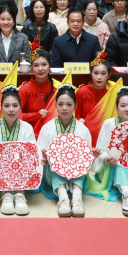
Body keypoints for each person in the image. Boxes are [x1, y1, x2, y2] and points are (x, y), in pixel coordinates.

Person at [90, 87, 128, 216]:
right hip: (112, 166)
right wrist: (107, 158)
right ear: (117, 108)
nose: (127, 109)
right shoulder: (109, 123)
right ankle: (126, 193)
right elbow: (100, 150)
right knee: (121, 159)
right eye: (123, 106)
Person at [0, 86, 35, 215]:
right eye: (7, 105)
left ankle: (20, 194)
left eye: (15, 105)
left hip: (21, 173)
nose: (11, 109)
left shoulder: (27, 127)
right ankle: (6, 194)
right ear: (1, 107)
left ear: (20, 107)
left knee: (25, 159)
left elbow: (31, 153)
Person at [37, 84, 91, 217]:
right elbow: (39, 153)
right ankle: (63, 198)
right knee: (54, 160)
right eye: (60, 104)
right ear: (55, 105)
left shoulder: (83, 130)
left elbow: (87, 158)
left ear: (75, 106)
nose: (64, 108)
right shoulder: (47, 128)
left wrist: (91, 156)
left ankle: (77, 197)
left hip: (77, 172)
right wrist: (44, 158)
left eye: (69, 104)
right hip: (52, 172)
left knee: (80, 161)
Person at [18, 46, 54, 133]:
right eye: (36, 65)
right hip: (29, 132)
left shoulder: (56, 88)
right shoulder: (25, 89)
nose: (40, 69)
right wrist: (36, 115)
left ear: (50, 66)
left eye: (44, 65)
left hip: (52, 132)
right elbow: (17, 115)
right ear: (32, 67)